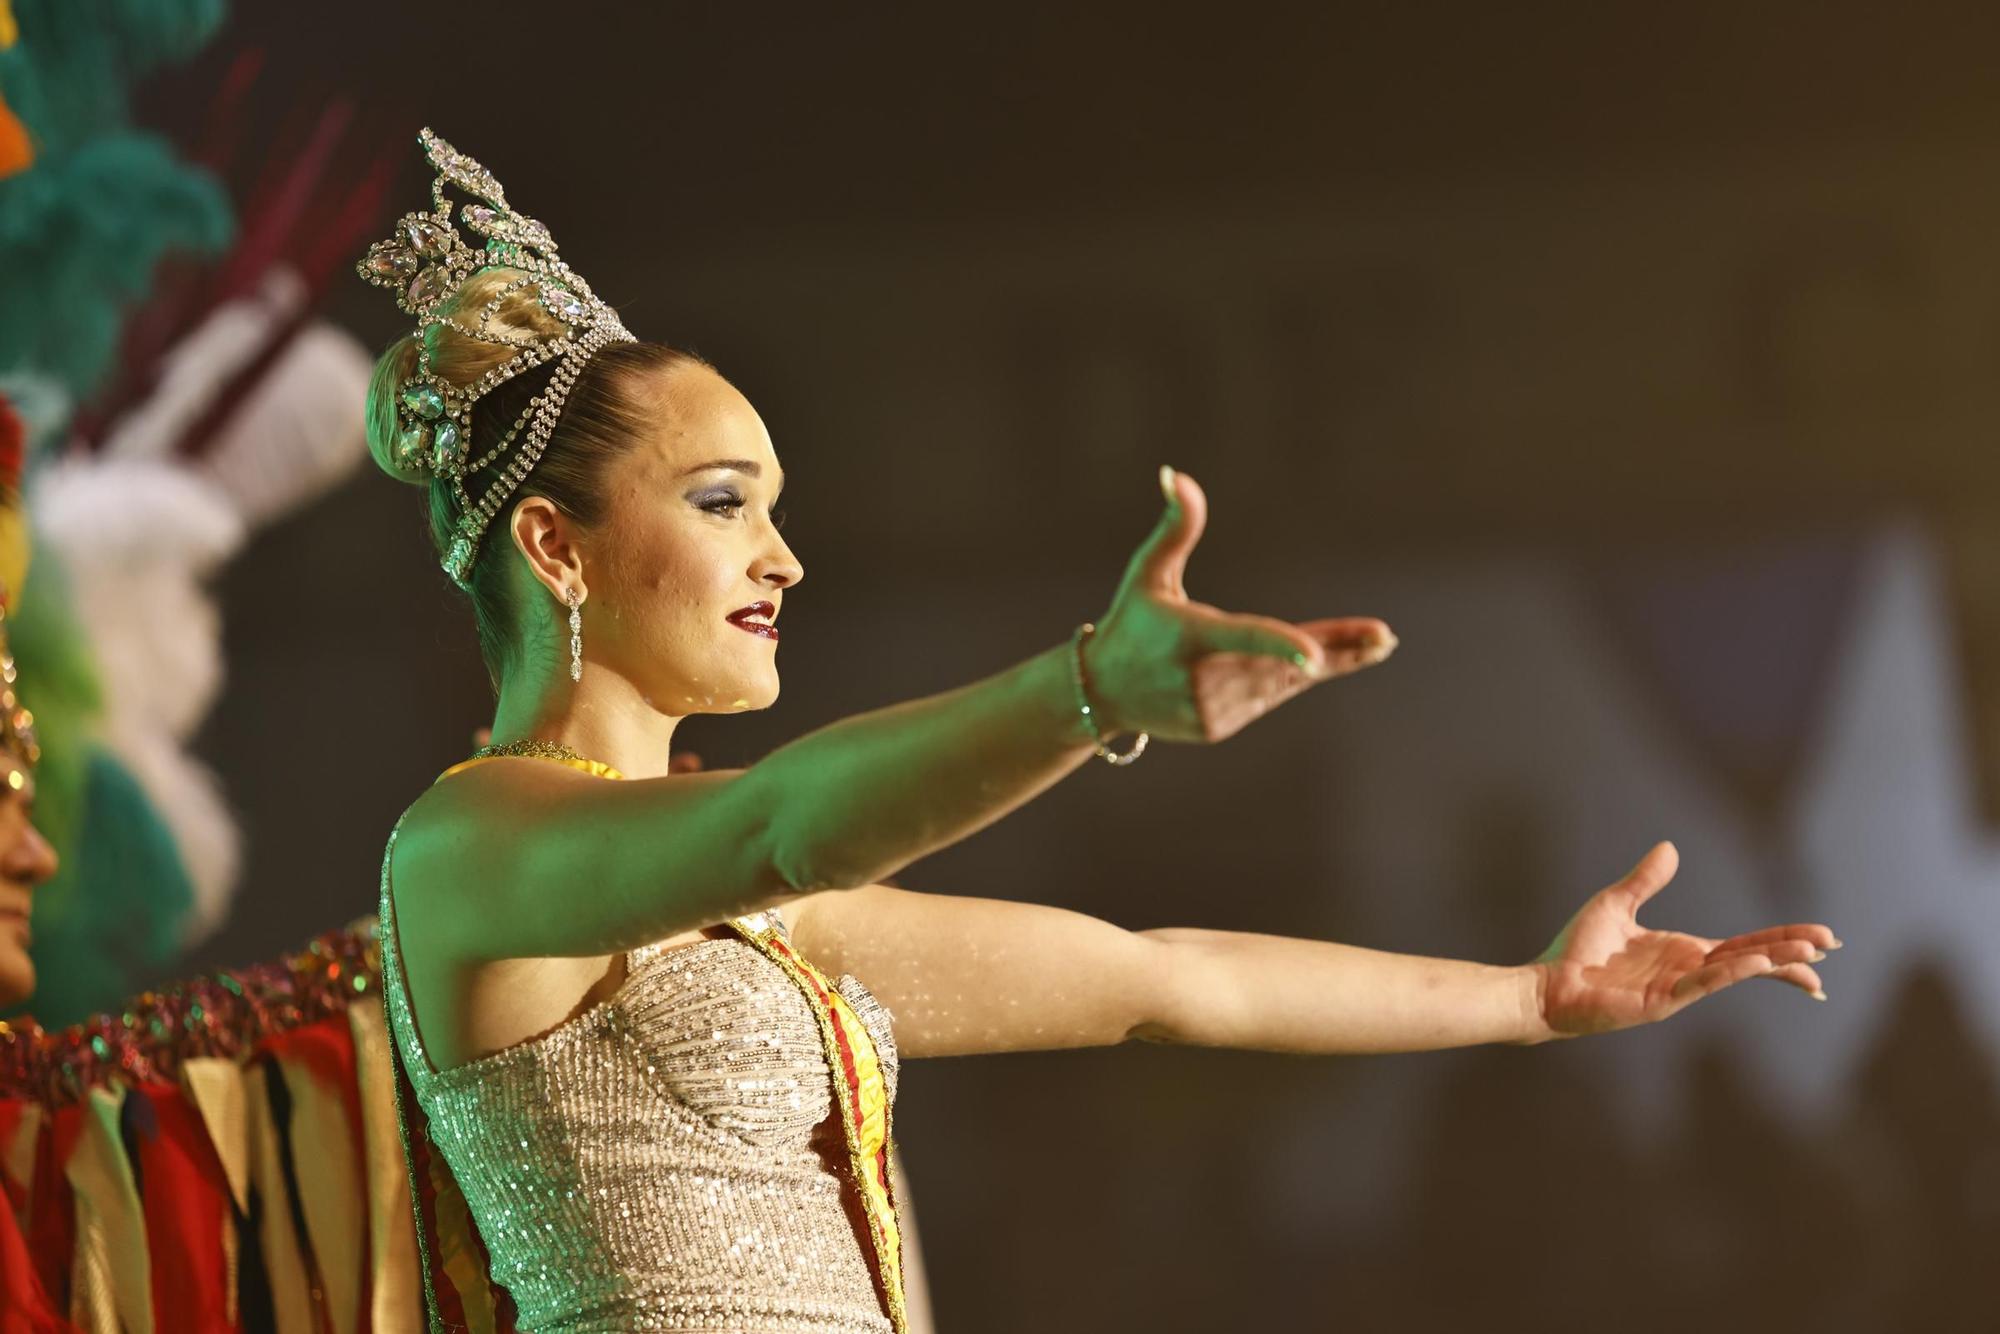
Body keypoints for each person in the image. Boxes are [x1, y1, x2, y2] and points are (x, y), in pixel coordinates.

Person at [359, 130, 1841, 1334]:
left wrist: (1528, 1000)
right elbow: (780, 820)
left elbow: (1166, 979)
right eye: (724, 501)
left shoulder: (760, 916)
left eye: (777, 507)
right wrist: (1089, 690)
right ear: (555, 549)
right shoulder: (471, 849)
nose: (784, 558)